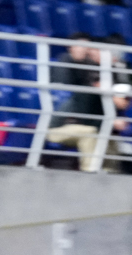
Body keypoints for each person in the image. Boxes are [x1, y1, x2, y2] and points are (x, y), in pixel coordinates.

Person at [44, 41, 105, 171]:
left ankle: (111, 172)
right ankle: (90, 171)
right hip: (55, 129)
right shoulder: (83, 94)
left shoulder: (96, 97)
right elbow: (84, 120)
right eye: (97, 80)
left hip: (73, 127)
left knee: (105, 134)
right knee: (90, 132)